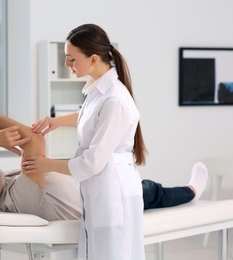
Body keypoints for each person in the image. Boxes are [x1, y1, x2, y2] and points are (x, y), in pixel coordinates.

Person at [22, 23, 146, 260]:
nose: (67, 65)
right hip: (101, 189)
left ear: (93, 59)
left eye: (71, 59)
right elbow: (90, 117)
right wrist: (56, 121)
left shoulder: (115, 99)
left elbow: (91, 162)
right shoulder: (97, 91)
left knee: (113, 253)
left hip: (113, 192)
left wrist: (47, 164)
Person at [0, 106, 208, 218]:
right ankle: (192, 191)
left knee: (140, 184)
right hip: (105, 202)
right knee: (150, 192)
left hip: (91, 184)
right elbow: (34, 139)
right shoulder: (16, 200)